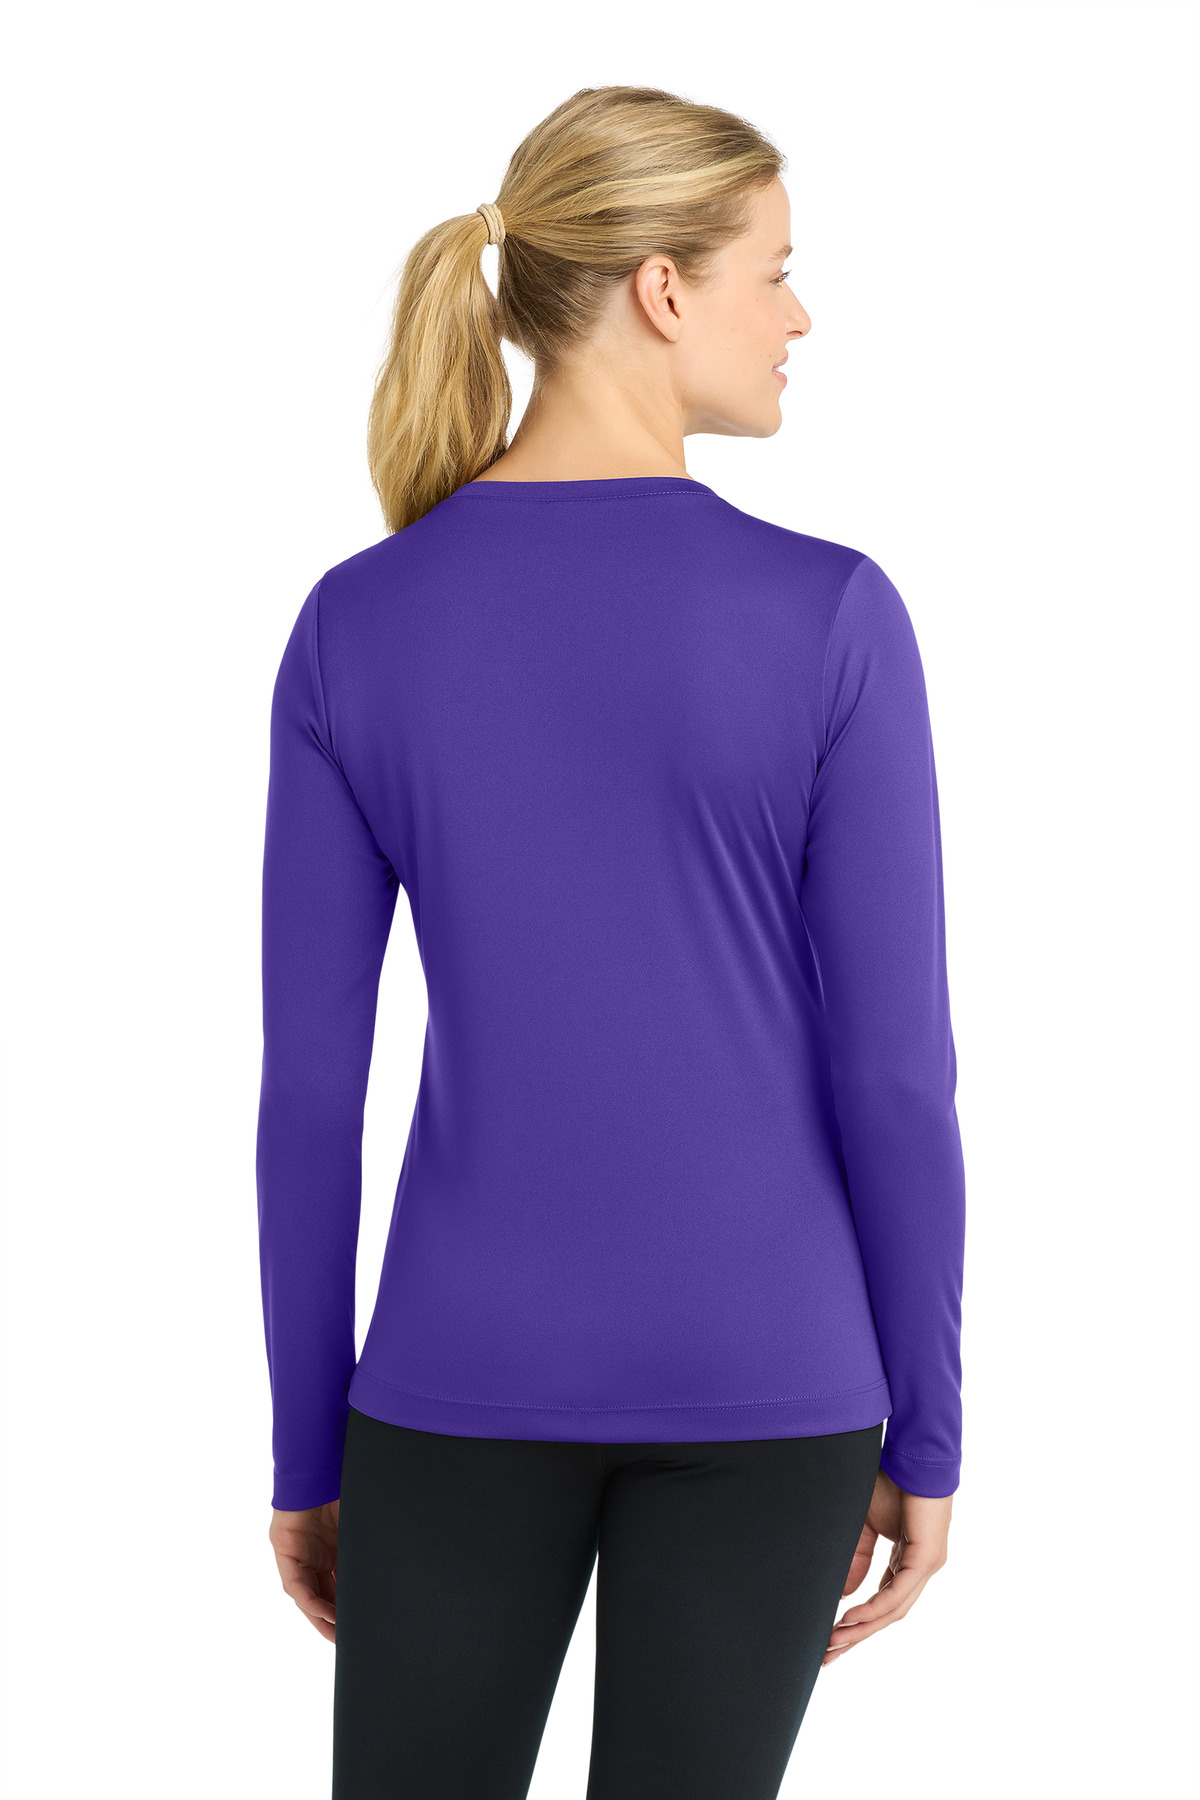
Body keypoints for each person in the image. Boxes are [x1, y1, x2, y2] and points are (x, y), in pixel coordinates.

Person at [256, 83, 966, 1800]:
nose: (798, 317)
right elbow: (895, 1077)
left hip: (452, 1386)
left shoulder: (359, 624)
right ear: (662, 288)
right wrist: (930, 1426)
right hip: (773, 1385)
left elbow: (310, 1095)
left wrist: (306, 1448)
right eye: (773, 271)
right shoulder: (829, 616)